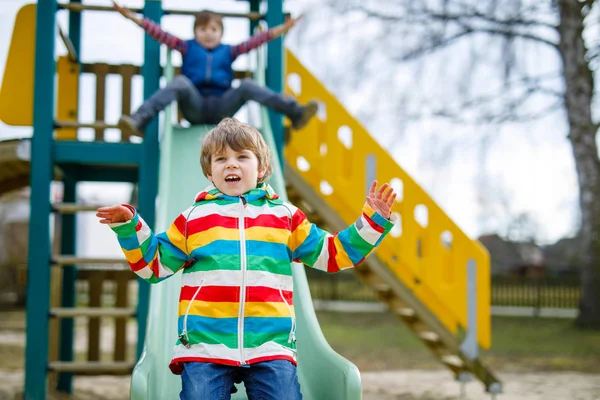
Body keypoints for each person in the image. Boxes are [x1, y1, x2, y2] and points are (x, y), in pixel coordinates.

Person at [96, 118, 397, 399]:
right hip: (206, 346)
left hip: (270, 344)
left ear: (263, 168)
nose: (231, 165)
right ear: (209, 171)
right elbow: (153, 265)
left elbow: (334, 255)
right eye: (221, 159)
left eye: (242, 157)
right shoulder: (193, 219)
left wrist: (371, 224)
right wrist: (129, 227)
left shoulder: (285, 217)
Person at [112, 1, 318, 136]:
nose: (208, 34)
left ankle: (295, 113)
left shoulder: (229, 51)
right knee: (181, 83)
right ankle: (139, 120)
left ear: (221, 33)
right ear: (195, 32)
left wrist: (281, 29)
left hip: (222, 107)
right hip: (195, 107)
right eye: (202, 29)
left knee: (246, 85)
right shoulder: (186, 47)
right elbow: (159, 33)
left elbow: (258, 40)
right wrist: (133, 18)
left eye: (214, 29)